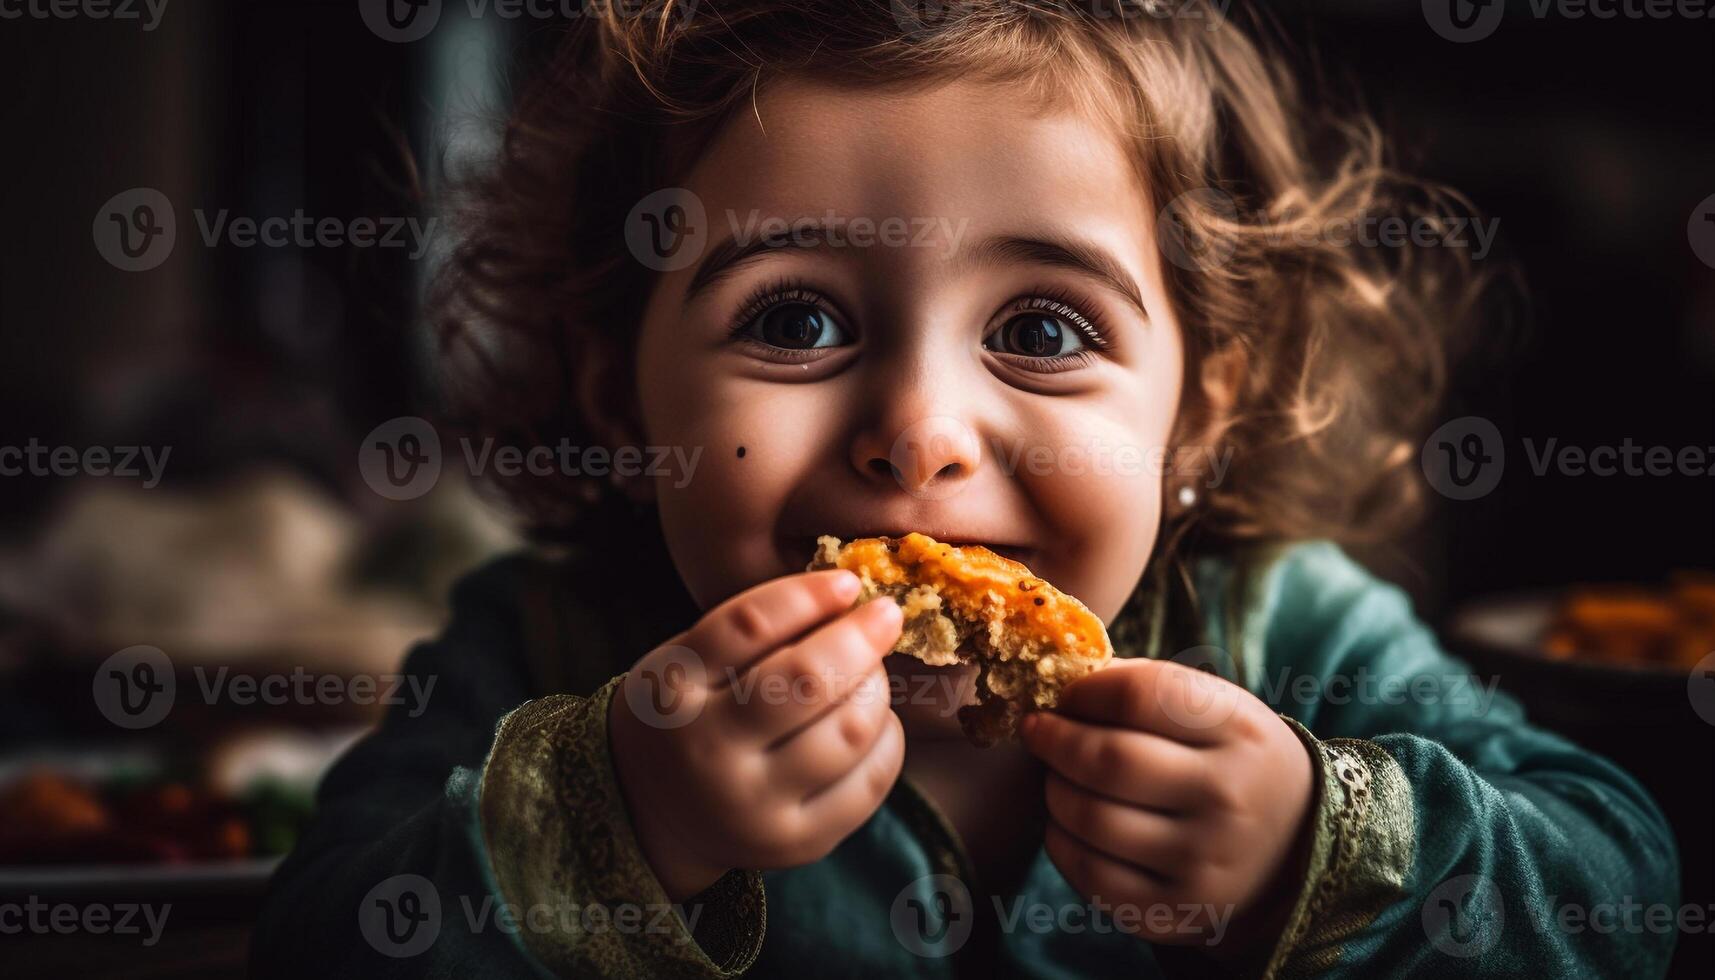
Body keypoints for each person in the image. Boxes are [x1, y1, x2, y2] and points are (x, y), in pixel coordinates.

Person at [252, 2, 1678, 976]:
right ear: (621, 389)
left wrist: (1320, 846)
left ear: (1202, 406)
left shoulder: (1293, 640)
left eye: (1044, 332)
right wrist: (624, 825)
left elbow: (1621, 897)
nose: (921, 433)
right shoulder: (544, 652)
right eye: (796, 320)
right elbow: (319, 937)